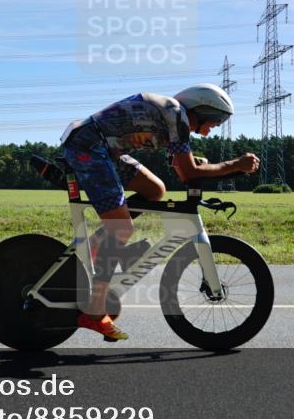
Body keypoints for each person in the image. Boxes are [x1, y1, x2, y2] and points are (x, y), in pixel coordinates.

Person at [59, 84, 260, 341]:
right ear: (201, 109)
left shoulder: (173, 115)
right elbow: (187, 173)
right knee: (121, 228)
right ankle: (95, 311)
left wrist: (199, 163)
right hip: (89, 147)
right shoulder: (176, 115)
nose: (211, 131)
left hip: (104, 148)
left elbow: (180, 164)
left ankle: (97, 244)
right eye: (215, 122)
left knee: (154, 189)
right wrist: (234, 165)